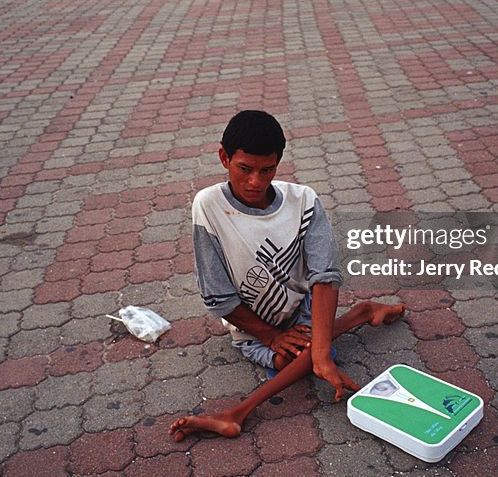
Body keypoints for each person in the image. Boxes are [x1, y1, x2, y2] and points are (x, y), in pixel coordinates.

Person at [169, 110, 406, 442]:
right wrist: (269, 335)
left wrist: (321, 352)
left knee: (312, 353)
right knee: (287, 359)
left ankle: (238, 413)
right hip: (251, 324)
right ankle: (360, 315)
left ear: (278, 162)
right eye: (245, 169)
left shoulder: (304, 200)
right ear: (224, 157)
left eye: (267, 170)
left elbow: (324, 276)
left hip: (302, 309)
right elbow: (218, 297)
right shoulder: (207, 205)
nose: (255, 181)